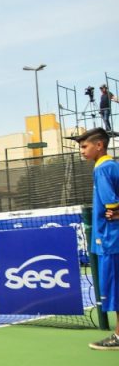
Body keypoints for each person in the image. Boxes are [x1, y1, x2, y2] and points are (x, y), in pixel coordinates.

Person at [75, 127, 119, 350]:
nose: (81, 151)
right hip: (111, 238)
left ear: (99, 145)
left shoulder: (103, 168)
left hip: (111, 239)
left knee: (116, 288)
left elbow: (111, 204)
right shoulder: (112, 166)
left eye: (84, 146)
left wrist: (115, 211)